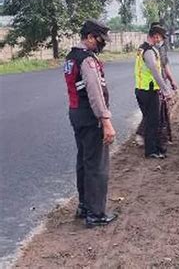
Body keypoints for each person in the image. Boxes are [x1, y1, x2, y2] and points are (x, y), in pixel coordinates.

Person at [64, 19, 117, 227]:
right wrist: (106, 120)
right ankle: (96, 214)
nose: (101, 44)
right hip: (90, 116)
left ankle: (84, 206)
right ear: (88, 37)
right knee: (97, 165)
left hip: (76, 114)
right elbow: (94, 93)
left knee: (84, 162)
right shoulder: (87, 60)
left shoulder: (71, 57)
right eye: (99, 39)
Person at [135, 23, 174, 159]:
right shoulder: (149, 52)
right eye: (160, 38)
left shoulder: (143, 48)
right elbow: (155, 72)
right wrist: (166, 90)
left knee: (150, 120)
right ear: (155, 36)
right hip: (149, 91)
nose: (160, 41)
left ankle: (154, 148)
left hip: (142, 89)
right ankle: (151, 151)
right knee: (153, 122)